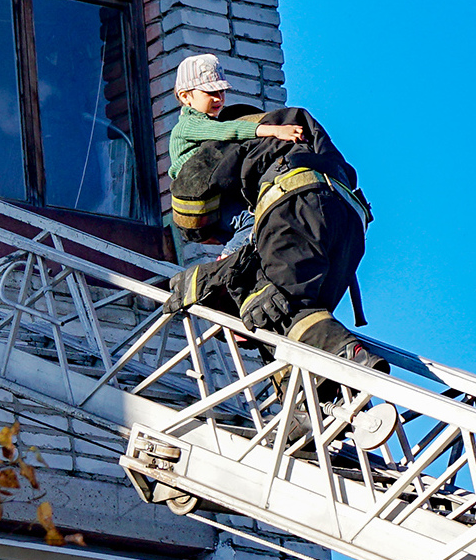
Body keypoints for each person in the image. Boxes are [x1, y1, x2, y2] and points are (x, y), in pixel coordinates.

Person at [165, 105, 387, 376]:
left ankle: (348, 356)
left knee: (271, 299)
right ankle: (320, 405)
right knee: (287, 317)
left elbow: (194, 189)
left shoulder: (240, 143)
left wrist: (201, 279)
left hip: (299, 208)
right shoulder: (305, 143)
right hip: (349, 231)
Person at [166, 53, 305, 179]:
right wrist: (276, 131)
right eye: (210, 92)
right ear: (185, 97)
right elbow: (227, 130)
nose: (219, 99)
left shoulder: (211, 121)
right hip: (196, 182)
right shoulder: (188, 124)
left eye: (222, 92)